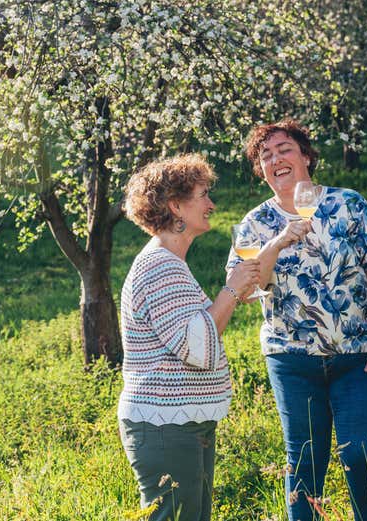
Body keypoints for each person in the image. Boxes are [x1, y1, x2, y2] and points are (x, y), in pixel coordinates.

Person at [227, 119, 367, 520]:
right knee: (304, 461)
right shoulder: (255, 224)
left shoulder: (348, 204)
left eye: (284, 149)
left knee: (364, 453)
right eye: (265, 156)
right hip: (292, 361)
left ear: (305, 156)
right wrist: (277, 242)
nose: (275, 160)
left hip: (357, 356)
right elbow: (246, 291)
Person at [118, 154, 260, 521]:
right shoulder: (162, 265)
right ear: (176, 206)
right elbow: (196, 347)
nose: (211, 204)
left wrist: (231, 294)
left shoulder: (170, 263)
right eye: (203, 195)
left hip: (179, 422)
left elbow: (197, 335)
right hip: (165, 426)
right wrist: (230, 292)